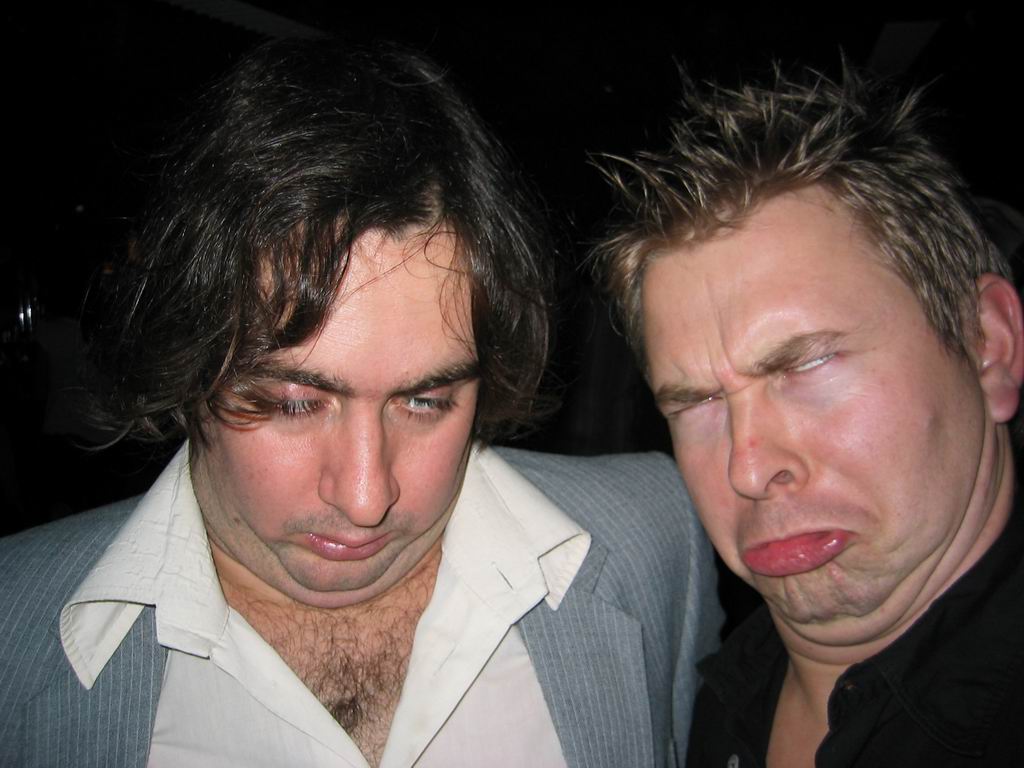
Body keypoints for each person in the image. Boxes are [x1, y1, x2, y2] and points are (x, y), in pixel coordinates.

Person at [0, 39, 721, 768]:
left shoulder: (658, 538)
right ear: (187, 365)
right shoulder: (11, 630)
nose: (366, 497)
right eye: (294, 402)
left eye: (426, 401)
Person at [597, 65, 1024, 766]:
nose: (747, 468)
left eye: (807, 365)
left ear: (989, 345)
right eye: (699, 401)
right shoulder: (697, 696)